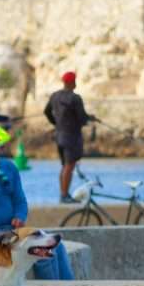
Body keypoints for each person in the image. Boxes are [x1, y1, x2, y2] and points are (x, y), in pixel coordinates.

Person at [0, 126, 74, 280]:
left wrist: (19, 216)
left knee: (57, 247)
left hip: (11, 230)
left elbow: (20, 200)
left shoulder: (9, 167)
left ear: (1, 149)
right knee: (41, 254)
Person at [44, 71, 98, 204]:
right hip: (71, 137)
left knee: (64, 166)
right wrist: (90, 119)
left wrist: (56, 123)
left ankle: (63, 194)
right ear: (72, 82)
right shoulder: (75, 98)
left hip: (59, 136)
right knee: (69, 166)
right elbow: (81, 118)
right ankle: (64, 195)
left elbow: (46, 111)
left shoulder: (55, 96)